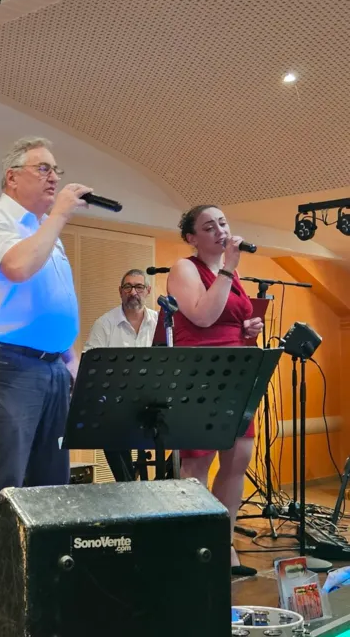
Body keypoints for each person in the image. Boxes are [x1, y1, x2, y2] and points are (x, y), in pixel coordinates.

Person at [0, 136, 91, 611]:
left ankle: (41, 601)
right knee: (4, 488)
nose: (53, 177)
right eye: (43, 168)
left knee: (51, 489)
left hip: (53, 370)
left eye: (56, 169)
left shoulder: (45, 233)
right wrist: (59, 216)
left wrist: (74, 367)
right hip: (9, 368)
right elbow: (16, 267)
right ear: (11, 177)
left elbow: (52, 307)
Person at [165, 204, 263, 577]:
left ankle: (223, 543)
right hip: (200, 373)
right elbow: (203, 316)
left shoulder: (230, 273)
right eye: (209, 227)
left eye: (223, 223)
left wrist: (248, 328)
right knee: (197, 464)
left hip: (236, 372)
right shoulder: (184, 268)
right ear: (192, 238)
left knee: (238, 457)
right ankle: (194, 546)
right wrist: (228, 269)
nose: (220, 231)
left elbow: (230, 317)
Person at [83, 268, 158, 482]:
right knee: (108, 424)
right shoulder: (104, 324)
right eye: (128, 287)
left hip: (153, 402)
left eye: (139, 287)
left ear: (148, 290)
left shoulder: (160, 322)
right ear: (120, 291)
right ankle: (127, 485)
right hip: (117, 403)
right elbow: (91, 367)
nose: (133, 292)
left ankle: (164, 484)